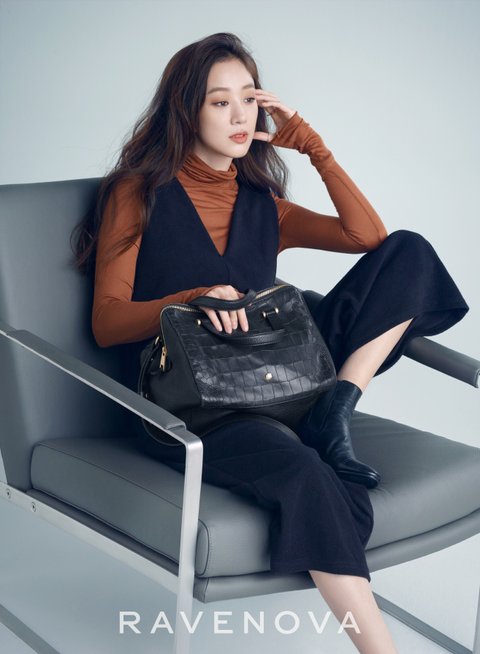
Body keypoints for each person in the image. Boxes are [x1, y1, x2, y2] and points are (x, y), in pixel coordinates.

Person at [71, 32, 469, 654]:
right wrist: (195, 297)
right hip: (198, 405)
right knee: (307, 473)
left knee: (409, 254)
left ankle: (337, 403)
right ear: (186, 111)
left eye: (249, 99)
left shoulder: (264, 203)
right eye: (218, 102)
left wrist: (313, 146)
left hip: (284, 375)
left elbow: (368, 237)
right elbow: (107, 323)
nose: (239, 116)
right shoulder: (136, 192)